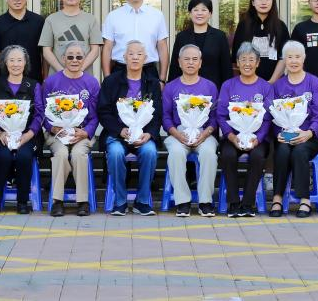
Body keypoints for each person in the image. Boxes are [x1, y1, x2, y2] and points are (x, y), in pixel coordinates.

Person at [98, 40, 164, 216]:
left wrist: (149, 134)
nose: (135, 57)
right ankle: (120, 201)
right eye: (131, 54)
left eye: (139, 54)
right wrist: (119, 130)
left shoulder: (152, 83)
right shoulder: (111, 81)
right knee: (115, 153)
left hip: (143, 135)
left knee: (150, 152)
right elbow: (103, 111)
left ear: (145, 58)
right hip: (118, 134)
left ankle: (142, 201)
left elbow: (158, 114)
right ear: (124, 57)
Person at [38, 40, 100, 217]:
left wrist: (86, 132)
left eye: (79, 57)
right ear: (63, 58)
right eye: (70, 57)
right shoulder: (51, 82)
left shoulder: (92, 82)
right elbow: (42, 111)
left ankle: (83, 201)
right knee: (61, 154)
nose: (74, 60)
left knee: (79, 154)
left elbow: (96, 115)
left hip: (81, 133)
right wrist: (52, 128)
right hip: (57, 134)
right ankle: (57, 201)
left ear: (84, 59)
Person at [269, 40, 318, 218]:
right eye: (289, 57)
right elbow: (272, 114)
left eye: (297, 57)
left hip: (310, 136)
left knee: (300, 151)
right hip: (285, 135)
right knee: (283, 151)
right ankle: (277, 198)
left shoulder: (314, 83)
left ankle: (305, 199)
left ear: (304, 58)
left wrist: (309, 132)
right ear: (284, 60)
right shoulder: (278, 85)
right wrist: (278, 134)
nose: (294, 61)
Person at [162, 43, 219, 218]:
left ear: (200, 63)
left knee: (209, 153)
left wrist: (205, 134)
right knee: (176, 153)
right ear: (179, 62)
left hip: (204, 132)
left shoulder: (210, 86)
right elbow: (165, 117)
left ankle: (205, 202)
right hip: (178, 132)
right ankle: (182, 202)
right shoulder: (171, 87)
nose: (190, 62)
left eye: (195, 59)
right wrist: (177, 134)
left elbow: (215, 117)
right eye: (186, 59)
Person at [217, 43, 272, 217]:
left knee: (257, 156)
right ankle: (233, 203)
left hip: (258, 139)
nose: (247, 63)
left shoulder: (265, 87)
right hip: (233, 137)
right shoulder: (228, 85)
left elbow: (268, 118)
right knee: (228, 155)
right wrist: (231, 137)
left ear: (258, 63)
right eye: (243, 59)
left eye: (251, 60)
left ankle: (248, 203)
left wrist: (259, 139)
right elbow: (221, 115)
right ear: (237, 63)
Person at [0, 45, 42, 214]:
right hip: (1, 136)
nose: (15, 64)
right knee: (2, 156)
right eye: (11, 60)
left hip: (27, 136)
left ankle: (22, 202)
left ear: (25, 63)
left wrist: (28, 135)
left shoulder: (34, 85)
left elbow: (39, 114)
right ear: (5, 63)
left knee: (24, 156)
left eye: (19, 60)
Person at [101, 0, 169, 80]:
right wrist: (107, 78)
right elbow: (107, 48)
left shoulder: (157, 15)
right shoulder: (113, 16)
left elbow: (162, 47)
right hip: (120, 71)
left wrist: (162, 79)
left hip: (149, 72)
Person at [39, 0, 102, 76]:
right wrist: (63, 72)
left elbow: (95, 51)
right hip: (58, 77)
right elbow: (46, 51)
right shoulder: (51, 20)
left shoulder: (91, 19)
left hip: (83, 77)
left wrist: (79, 71)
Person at [0, 0, 45, 82]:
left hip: (34, 82)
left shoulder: (39, 21)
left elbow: (44, 54)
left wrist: (45, 80)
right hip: (5, 84)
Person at [168, 0, 232, 89]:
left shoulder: (219, 36)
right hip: (186, 90)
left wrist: (227, 90)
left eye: (204, 10)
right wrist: (171, 88)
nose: (199, 13)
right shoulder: (181, 37)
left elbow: (226, 67)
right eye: (196, 10)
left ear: (210, 14)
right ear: (190, 13)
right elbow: (175, 67)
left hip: (213, 89)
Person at [230, 0, 290, 82]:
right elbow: (237, 56)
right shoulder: (243, 25)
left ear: (273, 2)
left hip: (275, 82)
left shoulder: (280, 26)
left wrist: (272, 81)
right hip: (249, 82)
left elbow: (284, 56)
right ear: (253, 2)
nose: (263, 2)